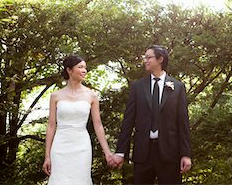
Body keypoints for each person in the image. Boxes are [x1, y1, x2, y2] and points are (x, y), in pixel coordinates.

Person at [111, 45, 192, 184]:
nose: (145, 60)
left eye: (149, 57)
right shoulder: (138, 86)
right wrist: (120, 152)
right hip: (143, 153)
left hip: (169, 154)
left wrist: (186, 154)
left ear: (160, 59)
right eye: (145, 57)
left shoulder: (178, 87)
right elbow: (128, 121)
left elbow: (183, 123)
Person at [42, 55, 113, 184]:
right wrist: (47, 156)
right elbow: (51, 125)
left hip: (82, 145)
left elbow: (98, 125)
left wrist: (107, 152)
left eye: (85, 68)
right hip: (60, 146)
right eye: (80, 67)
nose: (84, 70)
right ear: (69, 70)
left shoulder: (91, 95)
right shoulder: (55, 96)